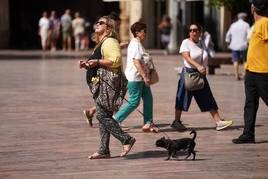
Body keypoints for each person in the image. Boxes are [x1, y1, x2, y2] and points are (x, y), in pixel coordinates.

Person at [78, 16, 135, 159]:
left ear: (108, 28)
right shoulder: (101, 42)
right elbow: (99, 63)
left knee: (101, 115)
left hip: (108, 83)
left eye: (101, 23)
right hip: (100, 83)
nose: (97, 24)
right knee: (104, 115)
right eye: (96, 22)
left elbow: (114, 61)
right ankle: (104, 150)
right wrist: (87, 64)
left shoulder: (110, 41)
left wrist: (96, 61)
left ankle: (126, 139)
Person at [171, 23, 233, 132]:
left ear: (200, 32)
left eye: (195, 30)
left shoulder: (202, 43)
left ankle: (218, 122)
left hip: (200, 74)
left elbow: (204, 57)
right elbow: (187, 57)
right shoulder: (185, 42)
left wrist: (204, 68)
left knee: (208, 97)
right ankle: (176, 121)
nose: (192, 32)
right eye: (190, 30)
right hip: (189, 74)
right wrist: (199, 66)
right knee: (182, 97)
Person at [232, 0, 268, 144]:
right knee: (250, 103)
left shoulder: (265, 23)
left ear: (253, 8)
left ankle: (248, 133)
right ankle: (248, 134)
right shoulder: (256, 25)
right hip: (252, 71)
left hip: (263, 71)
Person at [113, 21, 158, 133]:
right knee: (134, 102)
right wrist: (145, 76)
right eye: (144, 31)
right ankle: (115, 120)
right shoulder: (135, 44)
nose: (146, 34)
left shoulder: (139, 44)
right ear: (137, 33)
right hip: (136, 78)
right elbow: (136, 62)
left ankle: (148, 123)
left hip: (141, 78)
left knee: (148, 100)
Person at [225, 13, 250, 80]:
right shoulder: (246, 25)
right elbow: (249, 36)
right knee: (245, 60)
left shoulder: (233, 25)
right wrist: (248, 43)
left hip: (234, 45)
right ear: (243, 17)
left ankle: (236, 75)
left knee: (235, 60)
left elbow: (228, 35)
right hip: (244, 45)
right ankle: (244, 74)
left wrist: (228, 44)